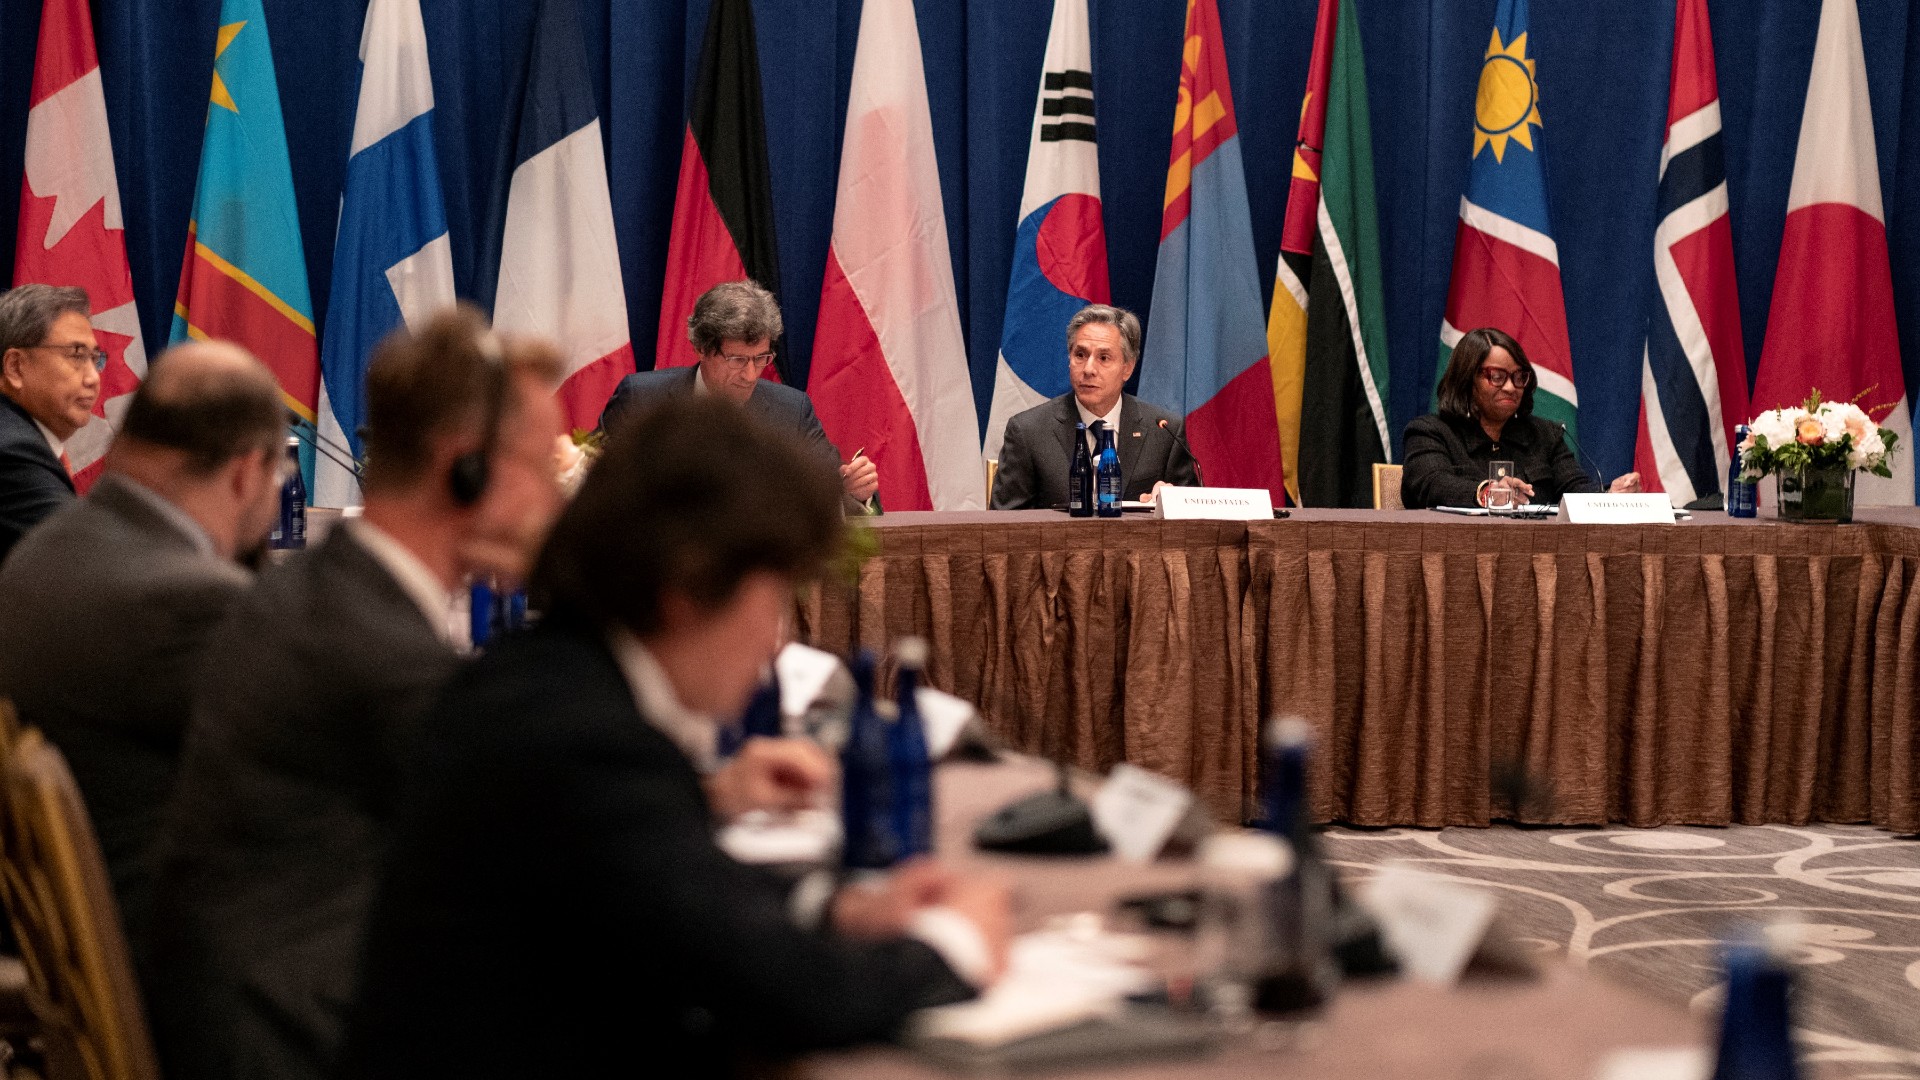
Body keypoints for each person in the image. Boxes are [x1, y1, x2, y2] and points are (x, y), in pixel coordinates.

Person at [343, 396, 1011, 1080]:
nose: (776, 636)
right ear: (687, 589)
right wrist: (952, 943)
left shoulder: (556, 675)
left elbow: (677, 894)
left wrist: (839, 909)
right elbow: (784, 994)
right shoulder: (582, 735)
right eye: (771, 594)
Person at [147, 307, 568, 1080]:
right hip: (298, 1036)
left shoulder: (325, 590)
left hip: (264, 993)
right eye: (541, 469)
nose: (553, 503)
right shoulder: (371, 649)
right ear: (463, 467)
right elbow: (536, 862)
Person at [0, 341, 286, 960]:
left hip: (70, 947)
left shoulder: (41, 553)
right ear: (246, 472)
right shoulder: (191, 601)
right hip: (178, 975)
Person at [599, 279, 880, 513]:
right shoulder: (640, 399)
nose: (750, 375)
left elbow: (829, 492)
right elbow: (592, 488)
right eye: (736, 359)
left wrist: (854, 491)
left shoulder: (792, 411)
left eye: (761, 358)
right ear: (702, 349)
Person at [1401, 327, 1641, 509]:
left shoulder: (1546, 435)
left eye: (1518, 377)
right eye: (1497, 376)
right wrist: (1489, 493)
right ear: (1467, 380)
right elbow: (1431, 484)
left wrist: (1609, 496)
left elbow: (1574, 489)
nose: (1510, 387)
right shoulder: (1429, 432)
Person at [990, 303, 1200, 510]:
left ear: (1127, 368)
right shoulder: (1029, 432)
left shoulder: (1163, 432)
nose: (1089, 369)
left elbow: (1193, 525)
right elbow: (1002, 529)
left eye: (1104, 358)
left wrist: (1172, 501)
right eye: (1080, 355)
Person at [0, 284, 99, 565]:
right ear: (16, 367)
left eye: (95, 358)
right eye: (77, 355)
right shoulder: (12, 452)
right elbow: (86, 563)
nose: (93, 378)